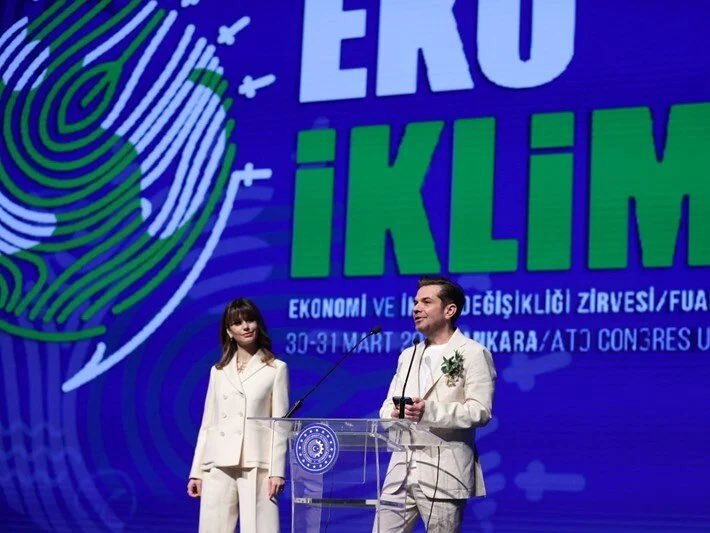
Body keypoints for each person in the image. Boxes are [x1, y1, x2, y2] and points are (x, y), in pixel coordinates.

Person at [375, 276, 496, 533]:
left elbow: (480, 411)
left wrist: (428, 411)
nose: (416, 308)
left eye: (426, 302)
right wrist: (392, 414)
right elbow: (386, 406)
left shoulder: (472, 353)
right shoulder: (408, 355)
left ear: (449, 310)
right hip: (400, 471)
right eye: (415, 302)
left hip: (444, 472)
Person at [187, 298, 289, 533]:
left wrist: (277, 471)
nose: (246, 326)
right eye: (238, 323)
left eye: (250, 320)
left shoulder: (276, 368)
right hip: (218, 463)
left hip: (257, 464)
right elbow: (208, 424)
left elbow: (280, 425)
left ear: (258, 324)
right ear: (229, 331)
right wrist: (197, 472)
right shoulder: (218, 371)